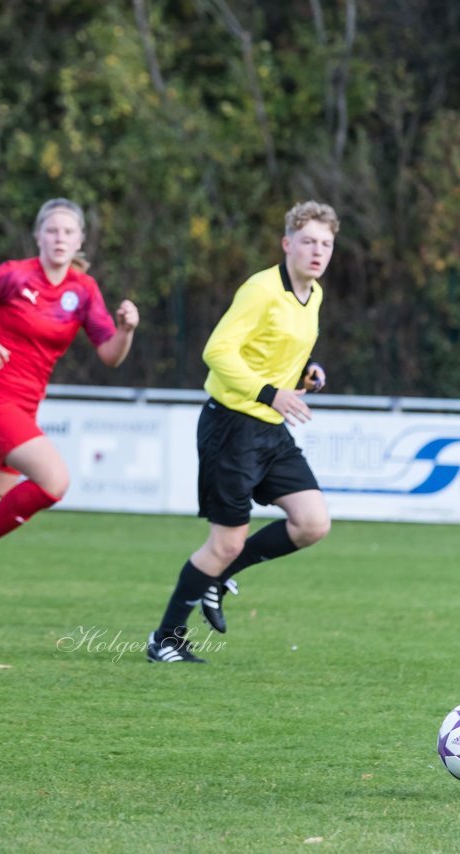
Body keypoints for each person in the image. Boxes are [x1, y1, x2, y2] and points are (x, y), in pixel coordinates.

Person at [146, 200, 337, 664]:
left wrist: (306, 371)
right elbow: (217, 351)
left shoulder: (316, 293)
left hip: (271, 430)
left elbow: (278, 350)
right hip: (231, 426)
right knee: (225, 541)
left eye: (326, 244)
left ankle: (219, 577)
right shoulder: (261, 289)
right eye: (308, 241)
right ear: (287, 244)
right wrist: (272, 392)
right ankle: (165, 639)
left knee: (312, 522)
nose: (317, 251)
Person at [0, 198, 139, 592]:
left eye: (68, 231)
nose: (60, 238)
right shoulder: (15, 275)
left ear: (80, 240)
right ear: (38, 236)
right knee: (54, 481)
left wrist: (126, 330)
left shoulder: (84, 290)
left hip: (24, 408)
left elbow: (110, 354)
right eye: (52, 230)